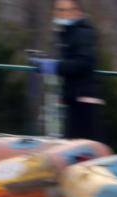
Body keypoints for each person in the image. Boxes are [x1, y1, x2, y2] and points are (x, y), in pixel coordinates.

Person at [30, 0, 103, 140]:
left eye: (67, 10)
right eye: (59, 10)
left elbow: (83, 63)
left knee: (82, 147)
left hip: (83, 99)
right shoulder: (68, 33)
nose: (63, 14)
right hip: (75, 97)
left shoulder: (82, 33)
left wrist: (53, 66)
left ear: (78, 12)